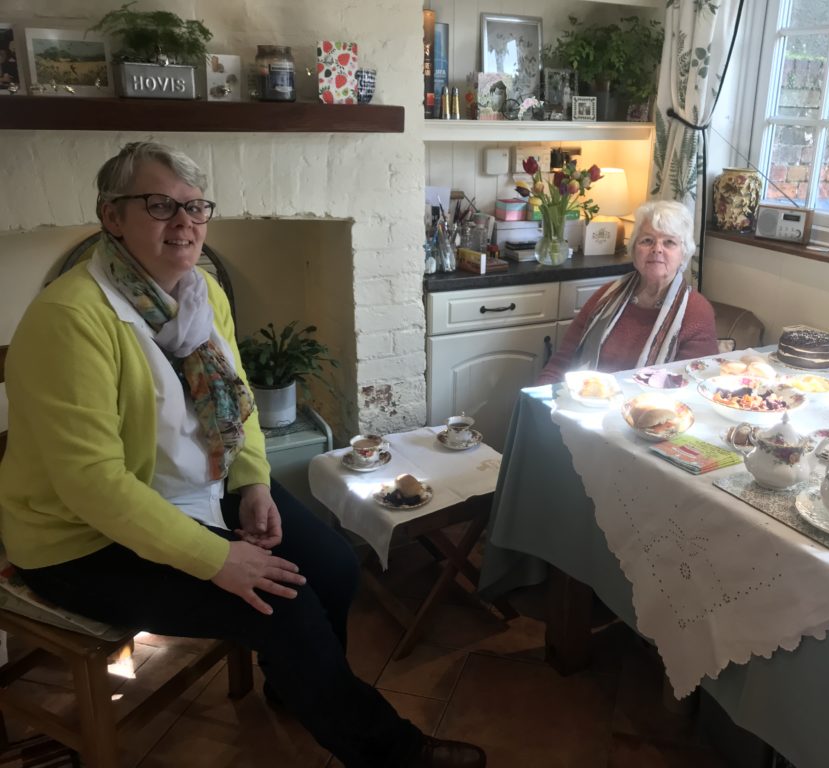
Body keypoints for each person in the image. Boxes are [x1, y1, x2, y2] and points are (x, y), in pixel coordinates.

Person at [0, 142, 485, 768]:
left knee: (335, 567)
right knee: (283, 607)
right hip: (84, 541)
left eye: (196, 206)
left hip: (204, 486)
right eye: (160, 205)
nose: (184, 222)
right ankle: (394, 754)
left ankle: (297, 685)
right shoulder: (71, 318)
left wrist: (254, 482)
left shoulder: (201, 292)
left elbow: (238, 401)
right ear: (111, 216)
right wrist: (217, 559)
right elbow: (93, 485)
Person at [537, 199, 718, 384]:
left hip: (653, 402)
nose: (657, 249)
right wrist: (539, 395)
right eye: (647, 241)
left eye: (669, 242)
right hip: (587, 395)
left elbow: (694, 384)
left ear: (684, 254)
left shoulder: (696, 312)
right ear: (633, 249)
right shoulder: (606, 296)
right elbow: (561, 362)